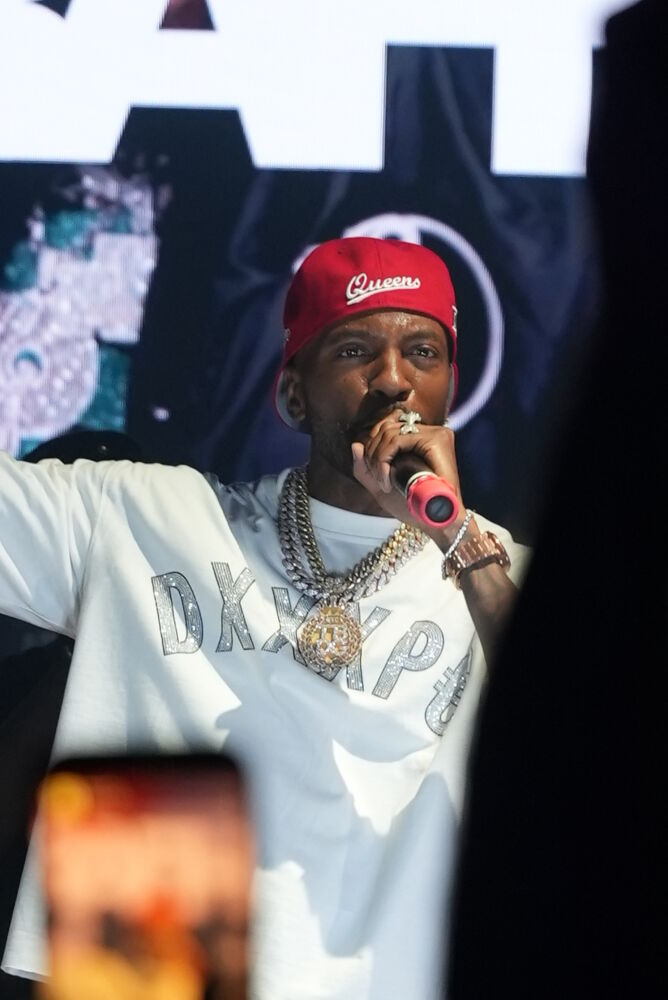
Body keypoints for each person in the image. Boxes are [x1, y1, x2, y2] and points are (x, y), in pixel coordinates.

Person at [0, 236, 528, 999]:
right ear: (293, 395)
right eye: (355, 350)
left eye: (423, 352)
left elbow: (594, 745)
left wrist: (457, 540)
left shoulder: (497, 575)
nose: (393, 378)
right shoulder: (147, 518)